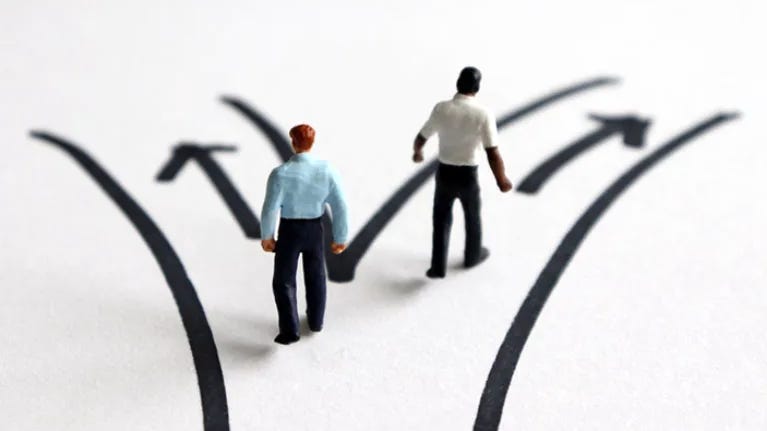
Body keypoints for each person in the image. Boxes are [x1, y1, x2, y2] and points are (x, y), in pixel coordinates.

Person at [412, 66, 513, 279]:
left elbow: (422, 136)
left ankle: (437, 266)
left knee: (441, 219)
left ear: (458, 83)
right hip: (468, 176)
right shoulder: (483, 114)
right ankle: (472, 256)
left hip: (445, 173)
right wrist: (501, 179)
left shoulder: (442, 109)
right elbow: (492, 152)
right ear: (477, 87)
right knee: (472, 217)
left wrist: (418, 152)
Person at [261, 124, 349, 345]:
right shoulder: (326, 170)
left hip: (289, 230)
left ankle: (290, 329)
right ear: (313, 142)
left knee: (284, 280)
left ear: (293, 143)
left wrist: (267, 236)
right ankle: (316, 321)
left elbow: (270, 209)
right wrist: (340, 237)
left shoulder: (281, 173)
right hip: (314, 229)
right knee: (316, 276)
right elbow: (340, 206)